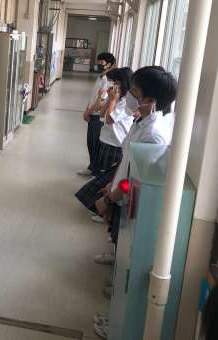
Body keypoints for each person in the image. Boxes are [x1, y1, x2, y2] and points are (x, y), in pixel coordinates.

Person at [93, 66, 177, 339]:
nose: (129, 95)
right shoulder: (142, 121)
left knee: (130, 263)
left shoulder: (154, 135)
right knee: (121, 250)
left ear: (151, 99)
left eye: (135, 91)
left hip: (131, 203)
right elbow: (127, 162)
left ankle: (117, 324)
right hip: (121, 194)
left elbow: (136, 181)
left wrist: (111, 197)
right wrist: (112, 184)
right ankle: (117, 298)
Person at [75, 67, 134, 217]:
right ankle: (102, 209)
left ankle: (105, 212)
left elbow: (109, 119)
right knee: (102, 176)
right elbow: (101, 114)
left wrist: (112, 100)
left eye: (117, 83)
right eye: (114, 82)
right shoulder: (117, 99)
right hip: (106, 141)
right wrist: (108, 99)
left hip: (115, 145)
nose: (114, 86)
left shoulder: (125, 103)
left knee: (108, 180)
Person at [78, 52, 116, 177]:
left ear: (109, 64)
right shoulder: (100, 77)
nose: (99, 64)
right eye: (98, 62)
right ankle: (92, 167)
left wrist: (88, 112)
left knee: (95, 143)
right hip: (91, 112)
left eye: (101, 62)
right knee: (91, 142)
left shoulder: (107, 81)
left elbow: (100, 103)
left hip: (97, 116)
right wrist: (87, 109)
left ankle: (95, 170)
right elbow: (93, 96)